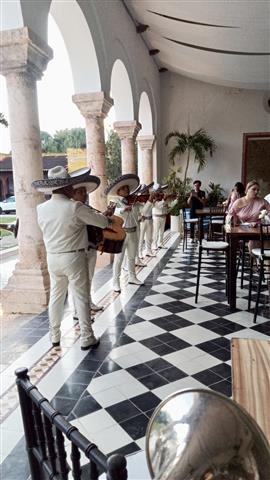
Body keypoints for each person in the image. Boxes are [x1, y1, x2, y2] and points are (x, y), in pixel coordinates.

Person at [32, 166, 109, 350]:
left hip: (53, 258)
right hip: (73, 257)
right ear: (67, 187)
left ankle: (55, 336)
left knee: (56, 298)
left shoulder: (41, 208)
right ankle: (87, 337)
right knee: (81, 297)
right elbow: (103, 222)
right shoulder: (74, 207)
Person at [72, 181, 113, 314]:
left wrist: (105, 214)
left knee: (89, 278)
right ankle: (78, 311)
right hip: (79, 250)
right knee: (78, 283)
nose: (84, 194)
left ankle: (88, 302)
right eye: (80, 192)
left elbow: (97, 221)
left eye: (85, 192)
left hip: (91, 247)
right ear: (73, 194)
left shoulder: (86, 208)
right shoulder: (75, 209)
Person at [105, 174, 144, 292]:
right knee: (119, 259)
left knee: (132, 256)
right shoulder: (114, 201)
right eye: (124, 188)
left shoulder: (132, 201)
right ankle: (115, 282)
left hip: (133, 232)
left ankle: (132, 277)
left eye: (127, 188)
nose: (127, 190)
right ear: (118, 191)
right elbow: (113, 213)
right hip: (122, 234)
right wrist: (123, 209)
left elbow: (138, 212)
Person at [138, 183, 156, 258]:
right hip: (143, 220)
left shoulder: (149, 198)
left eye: (147, 191)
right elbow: (141, 211)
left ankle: (149, 251)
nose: (146, 193)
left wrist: (153, 200)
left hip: (150, 219)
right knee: (141, 237)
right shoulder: (139, 200)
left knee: (149, 236)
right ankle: (139, 252)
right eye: (144, 191)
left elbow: (153, 206)